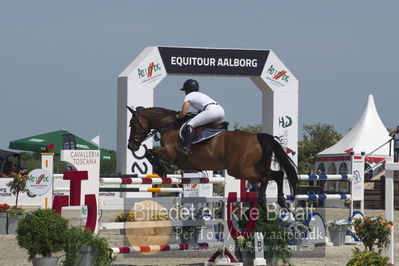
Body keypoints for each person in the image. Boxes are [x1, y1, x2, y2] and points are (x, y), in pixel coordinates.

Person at [177, 79, 225, 154]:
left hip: (211, 111)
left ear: (188, 90)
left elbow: (183, 113)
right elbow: (201, 112)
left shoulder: (189, 96)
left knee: (190, 124)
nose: (184, 92)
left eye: (185, 90)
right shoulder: (201, 95)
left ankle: (186, 148)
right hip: (221, 111)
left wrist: (177, 117)